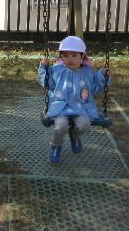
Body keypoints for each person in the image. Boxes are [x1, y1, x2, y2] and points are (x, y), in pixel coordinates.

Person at [38, 36, 111, 164]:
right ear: (60, 56)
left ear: (82, 56)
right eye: (65, 55)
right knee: (60, 126)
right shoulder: (56, 70)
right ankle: (55, 146)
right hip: (61, 107)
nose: (69, 59)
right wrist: (44, 68)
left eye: (74, 55)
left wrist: (102, 76)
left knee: (84, 125)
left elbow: (95, 88)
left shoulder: (87, 73)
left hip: (81, 107)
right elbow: (47, 83)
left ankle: (75, 135)